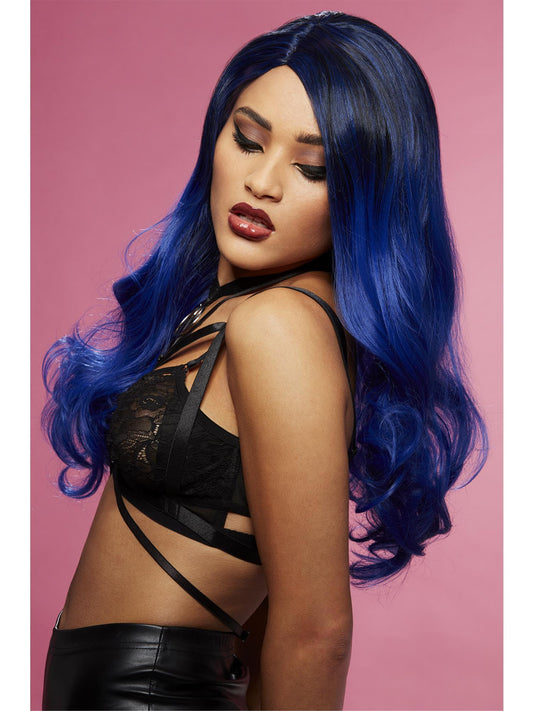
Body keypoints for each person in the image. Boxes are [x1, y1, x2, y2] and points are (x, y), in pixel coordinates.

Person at [40, 11, 487, 711]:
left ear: (367, 194)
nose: (263, 182)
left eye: (313, 168)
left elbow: (315, 631)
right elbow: (261, 613)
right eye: (247, 140)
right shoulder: (242, 309)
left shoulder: (279, 325)